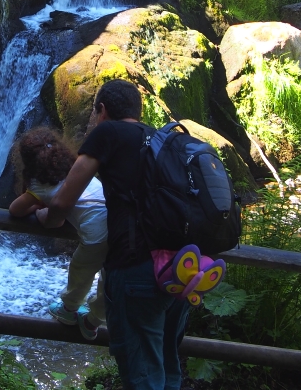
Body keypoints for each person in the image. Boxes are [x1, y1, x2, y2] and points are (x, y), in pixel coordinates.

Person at [35, 79, 192, 390]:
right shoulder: (158, 138)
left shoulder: (107, 133)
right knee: (167, 367)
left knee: (142, 376)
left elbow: (64, 201)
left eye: (95, 113)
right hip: (180, 267)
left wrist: (46, 217)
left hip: (137, 271)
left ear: (102, 111)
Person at [8, 127, 108, 341]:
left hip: (95, 236)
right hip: (118, 226)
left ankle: (69, 309)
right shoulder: (77, 168)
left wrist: (38, 207)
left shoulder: (40, 186)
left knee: (80, 271)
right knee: (110, 280)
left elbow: (15, 210)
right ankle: (94, 320)